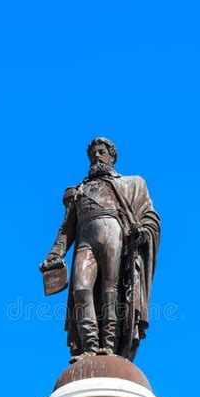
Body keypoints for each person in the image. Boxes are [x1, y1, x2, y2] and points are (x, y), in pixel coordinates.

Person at [40, 137, 160, 362]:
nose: (97, 155)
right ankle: (90, 346)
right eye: (93, 152)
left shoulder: (131, 183)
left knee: (110, 290)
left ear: (112, 156)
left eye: (102, 151)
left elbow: (149, 215)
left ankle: (110, 345)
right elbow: (67, 229)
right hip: (86, 239)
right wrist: (55, 253)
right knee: (81, 288)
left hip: (114, 234)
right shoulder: (77, 191)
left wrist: (142, 231)